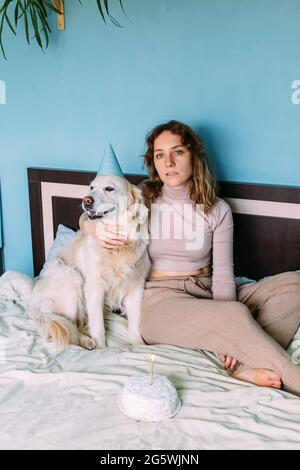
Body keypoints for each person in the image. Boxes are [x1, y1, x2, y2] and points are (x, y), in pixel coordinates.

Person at [80, 120, 300, 397]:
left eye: (178, 152)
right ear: (153, 162)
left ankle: (243, 363)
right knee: (233, 317)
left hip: (205, 288)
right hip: (158, 300)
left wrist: (226, 321)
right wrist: (92, 228)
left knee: (294, 284)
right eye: (160, 155)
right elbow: (89, 212)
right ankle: (293, 375)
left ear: (194, 155)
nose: (168, 162)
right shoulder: (144, 196)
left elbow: (222, 275)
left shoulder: (218, 209)